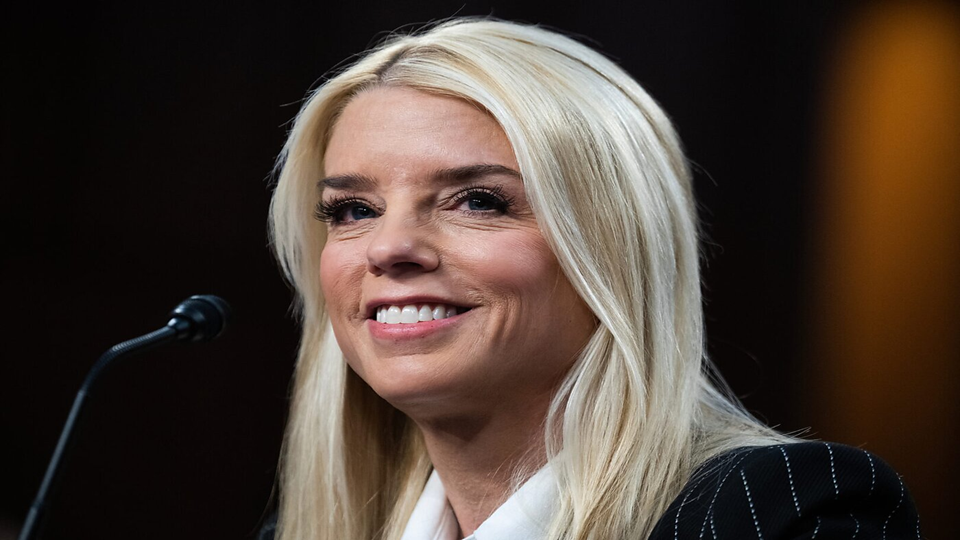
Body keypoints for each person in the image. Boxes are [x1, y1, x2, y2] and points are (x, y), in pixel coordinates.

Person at [262, 18, 920, 540]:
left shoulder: (784, 514)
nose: (390, 248)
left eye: (478, 201)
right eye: (353, 211)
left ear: (612, 246)